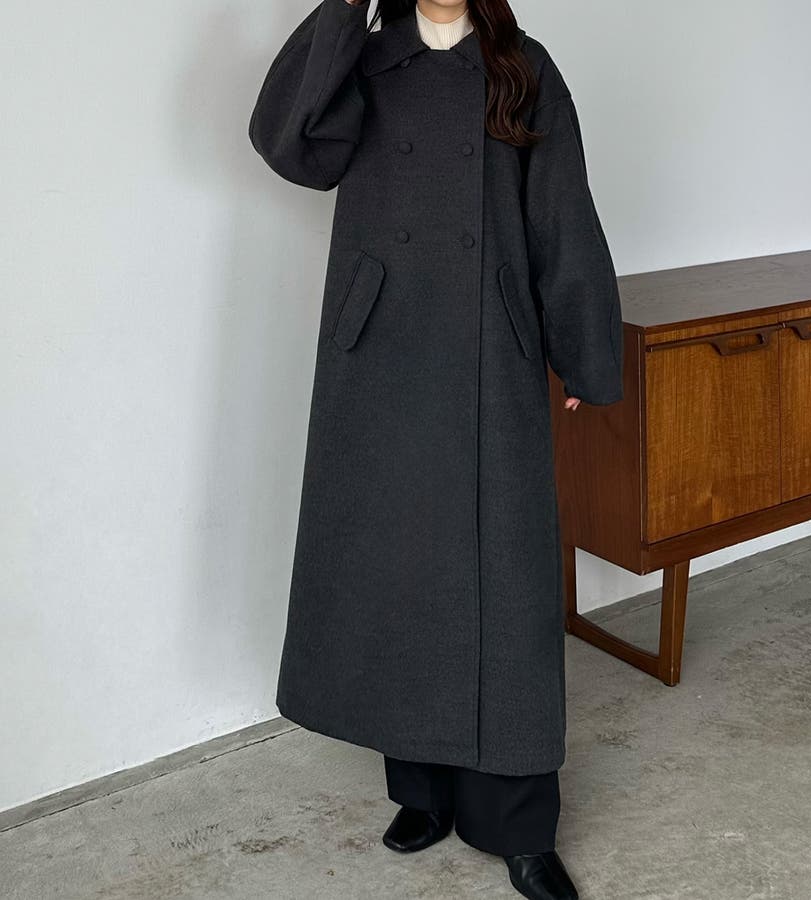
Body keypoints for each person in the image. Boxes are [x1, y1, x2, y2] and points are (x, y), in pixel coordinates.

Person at [248, 0, 624, 897]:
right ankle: (420, 791)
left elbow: (561, 210)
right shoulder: (366, 59)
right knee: (399, 574)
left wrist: (581, 350)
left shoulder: (522, 67)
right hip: (380, 351)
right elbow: (291, 147)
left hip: (491, 352)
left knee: (508, 588)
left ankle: (519, 827)